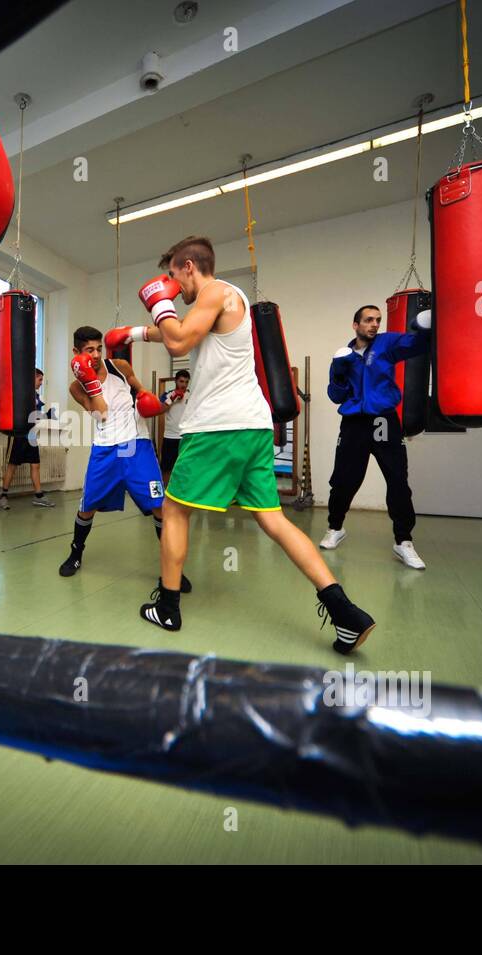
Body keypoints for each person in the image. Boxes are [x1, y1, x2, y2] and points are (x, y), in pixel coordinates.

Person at [121, 235, 375, 653]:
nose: (171, 287)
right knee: (273, 519)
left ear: (189, 267)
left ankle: (167, 607)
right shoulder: (221, 304)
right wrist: (129, 332)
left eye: (172, 276)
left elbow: (178, 340)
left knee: (173, 509)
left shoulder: (215, 291)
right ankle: (345, 611)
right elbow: (173, 334)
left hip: (218, 428)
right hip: (253, 426)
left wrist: (157, 301)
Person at [58, 326, 191, 593]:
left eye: (98, 349)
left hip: (137, 445)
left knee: (159, 507)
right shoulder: (75, 386)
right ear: (76, 353)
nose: (95, 355)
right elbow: (100, 411)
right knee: (87, 506)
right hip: (105, 449)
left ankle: (172, 569)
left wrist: (145, 399)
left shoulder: (119, 366)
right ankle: (76, 553)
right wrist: (89, 380)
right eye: (89, 351)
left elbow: (142, 392)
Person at [321, 305, 431, 569]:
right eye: (368, 320)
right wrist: (338, 371)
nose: (374, 324)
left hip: (383, 420)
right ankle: (335, 528)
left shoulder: (387, 344)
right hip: (354, 423)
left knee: (397, 479)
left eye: (377, 320)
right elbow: (335, 395)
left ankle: (403, 541)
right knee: (344, 480)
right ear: (355, 324)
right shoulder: (343, 356)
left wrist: (423, 327)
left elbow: (416, 344)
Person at [0, 368, 57, 509]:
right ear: (31, 378)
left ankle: (38, 496)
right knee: (12, 466)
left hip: (31, 436)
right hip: (17, 435)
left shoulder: (36, 396)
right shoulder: (21, 393)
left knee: (35, 465)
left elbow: (34, 415)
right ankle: (3, 497)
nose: (41, 383)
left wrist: (47, 415)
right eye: (39, 379)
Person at [158, 369, 190, 484]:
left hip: (185, 437)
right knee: (167, 468)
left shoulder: (191, 396)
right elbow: (160, 410)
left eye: (186, 382)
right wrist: (172, 398)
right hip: (170, 437)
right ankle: (166, 494)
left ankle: (183, 495)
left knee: (185, 468)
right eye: (181, 381)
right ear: (176, 381)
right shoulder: (167, 395)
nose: (184, 385)